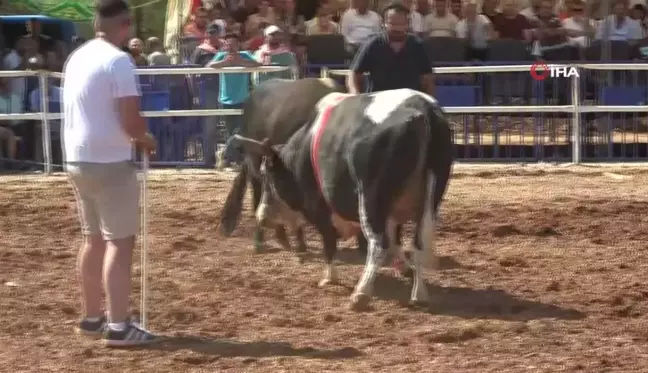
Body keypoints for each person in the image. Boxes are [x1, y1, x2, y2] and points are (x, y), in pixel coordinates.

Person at [62, 0, 157, 347]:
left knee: (94, 240)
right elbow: (130, 120)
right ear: (126, 25)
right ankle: (118, 326)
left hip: (77, 158)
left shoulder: (78, 56)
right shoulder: (119, 61)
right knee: (120, 241)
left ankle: (91, 318)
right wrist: (145, 139)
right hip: (109, 161)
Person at [347, 2, 435, 96]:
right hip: (378, 101)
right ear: (383, 23)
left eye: (401, 24)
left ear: (408, 24)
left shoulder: (417, 45)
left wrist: (429, 99)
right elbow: (354, 74)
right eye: (392, 24)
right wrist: (354, 93)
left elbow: (428, 77)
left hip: (410, 103)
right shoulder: (373, 44)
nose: (397, 28)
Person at [207, 33, 261, 169]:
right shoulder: (221, 55)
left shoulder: (245, 54)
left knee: (240, 130)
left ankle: (225, 155)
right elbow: (209, 66)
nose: (230, 47)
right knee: (231, 131)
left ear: (238, 45)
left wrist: (241, 63)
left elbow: (258, 63)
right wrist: (225, 63)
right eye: (228, 44)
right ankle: (234, 160)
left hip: (242, 98)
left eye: (233, 44)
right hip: (225, 99)